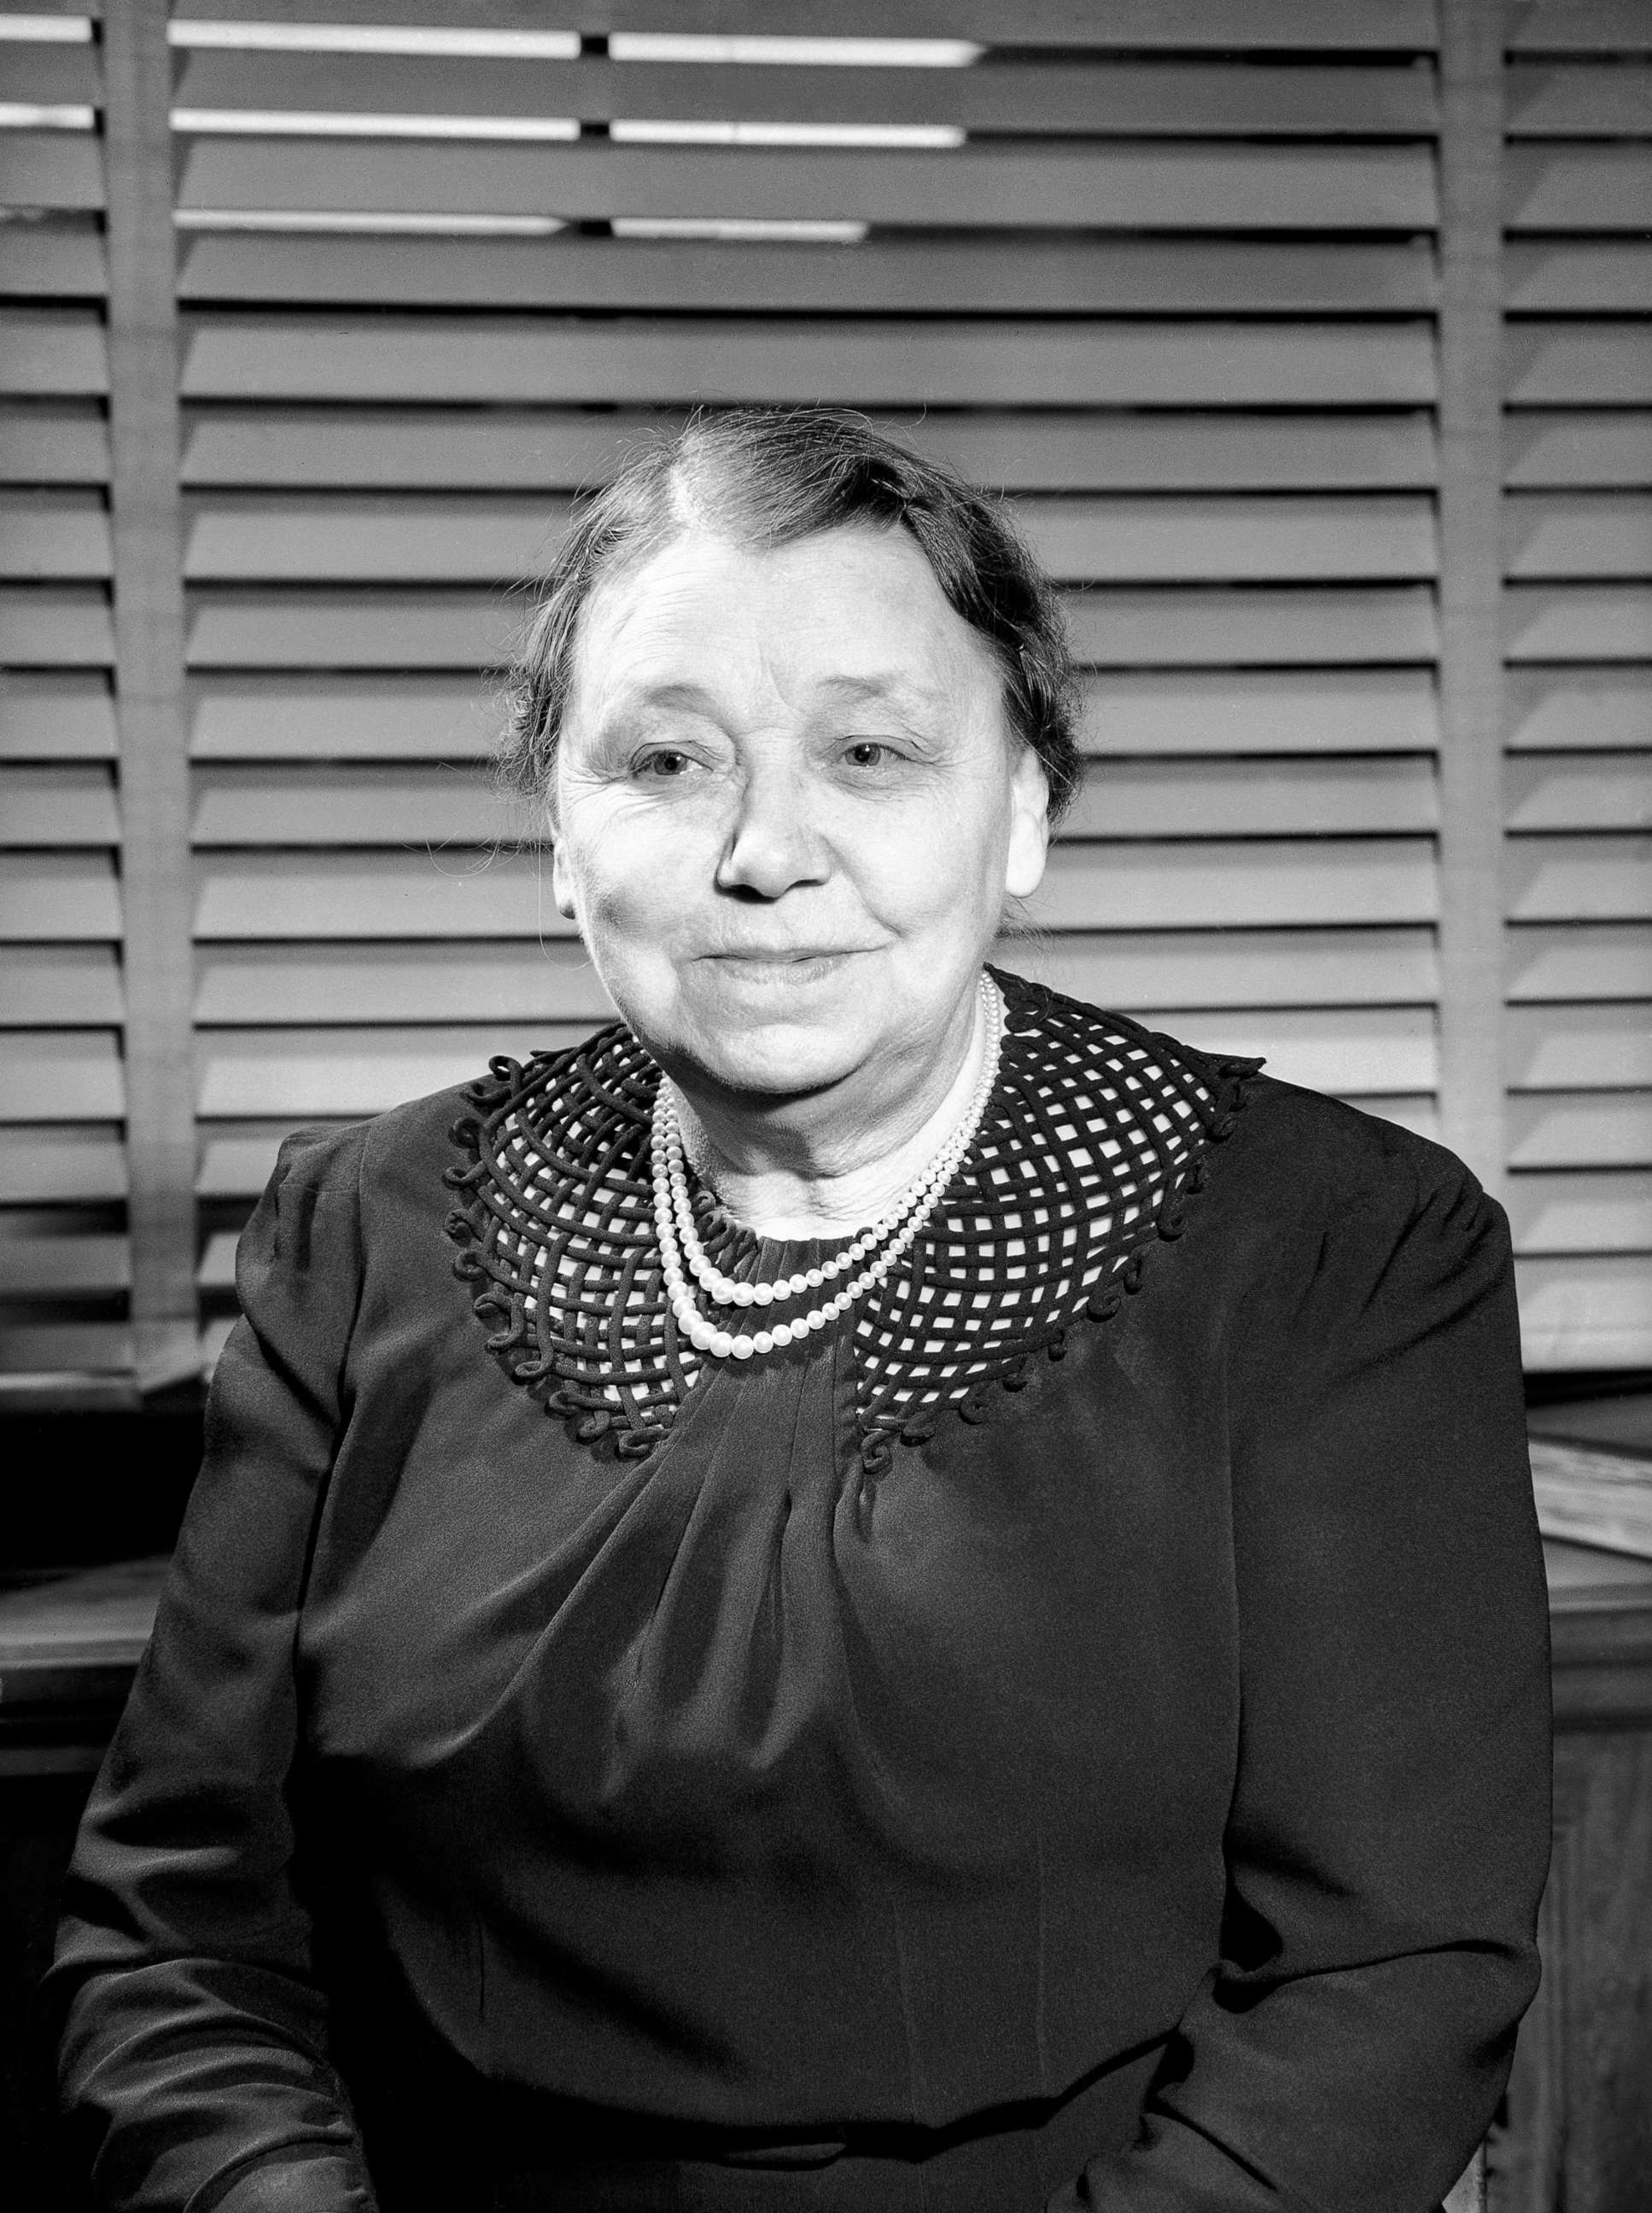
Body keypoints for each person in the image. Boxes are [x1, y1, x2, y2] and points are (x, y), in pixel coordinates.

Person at [46, 410, 1551, 2213]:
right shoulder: (358, 1230)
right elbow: (174, 1949)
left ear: (1021, 818)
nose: (766, 847)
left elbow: (1380, 1985)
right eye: (666, 760)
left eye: (868, 751)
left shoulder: (1336, 1250)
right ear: (558, 831)